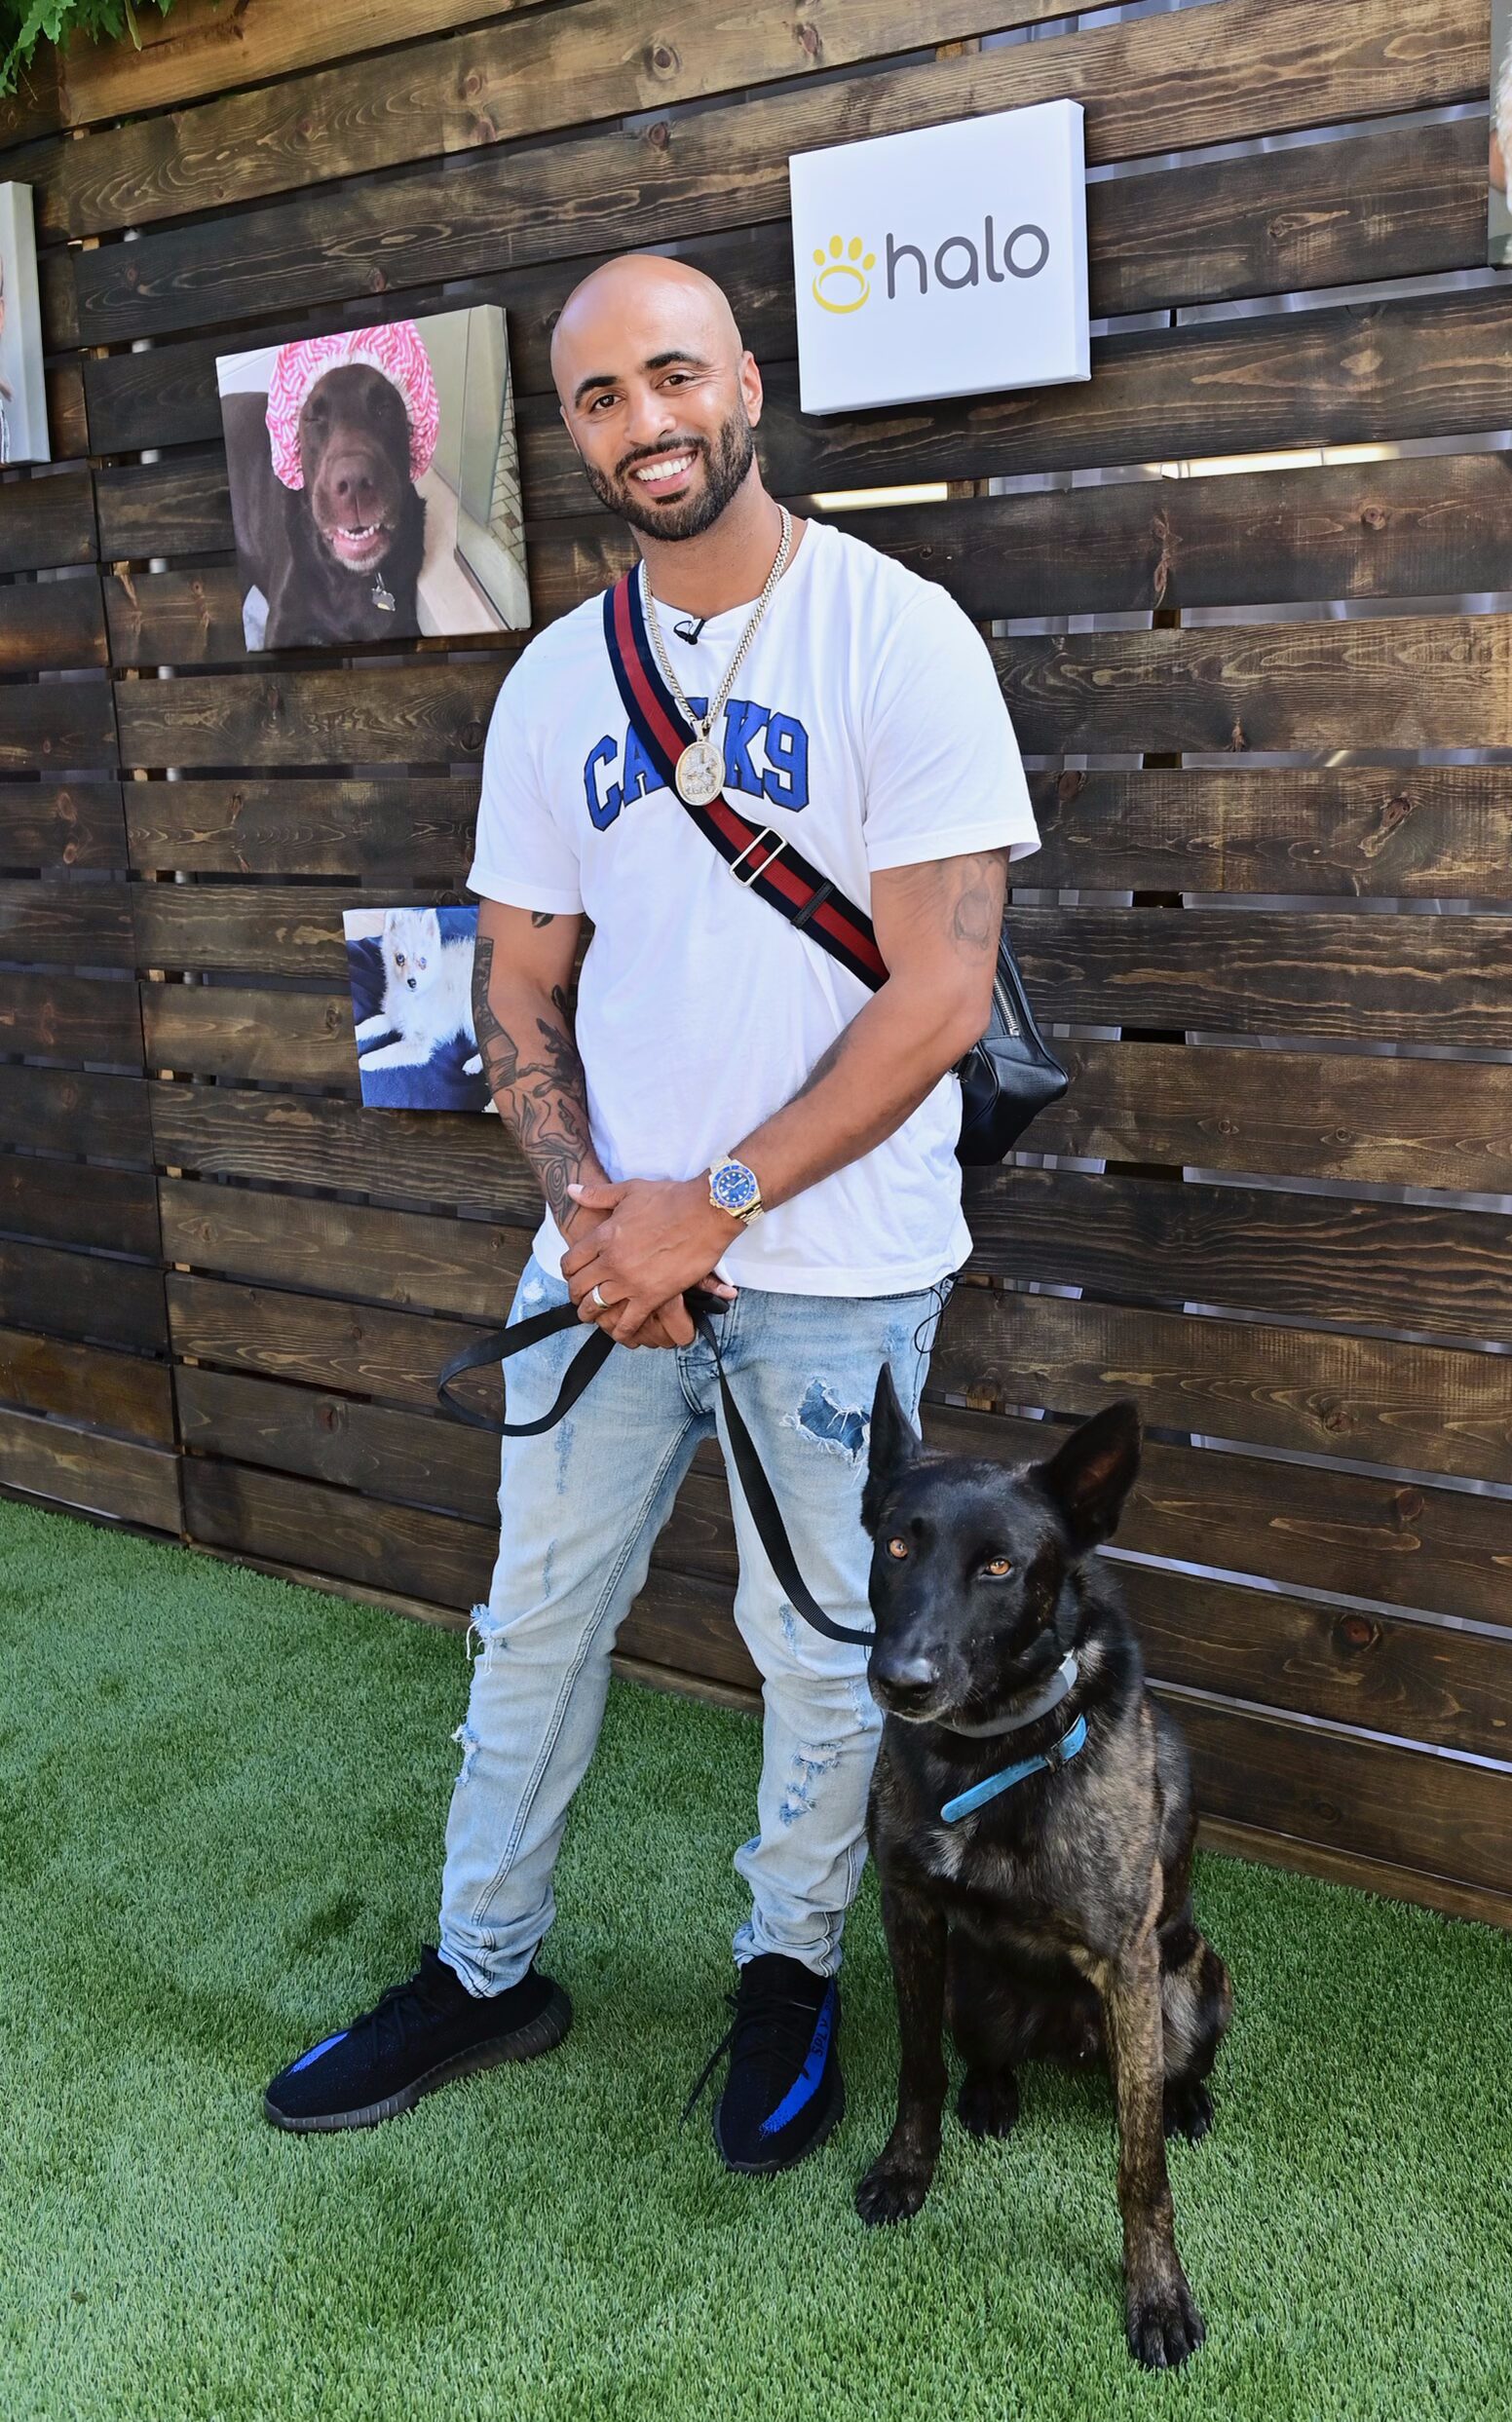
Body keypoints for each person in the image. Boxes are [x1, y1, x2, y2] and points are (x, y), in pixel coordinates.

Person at [265, 253, 1040, 2172]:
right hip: (603, 1264)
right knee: (532, 1619)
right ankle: (482, 1965)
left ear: (747, 385)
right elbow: (518, 991)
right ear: (574, 428)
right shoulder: (551, 682)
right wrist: (591, 1211)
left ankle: (787, 1971)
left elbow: (941, 992)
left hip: (835, 1275)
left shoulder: (897, 636)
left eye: (671, 377)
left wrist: (716, 1205)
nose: (642, 422)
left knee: (815, 1648)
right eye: (601, 397)